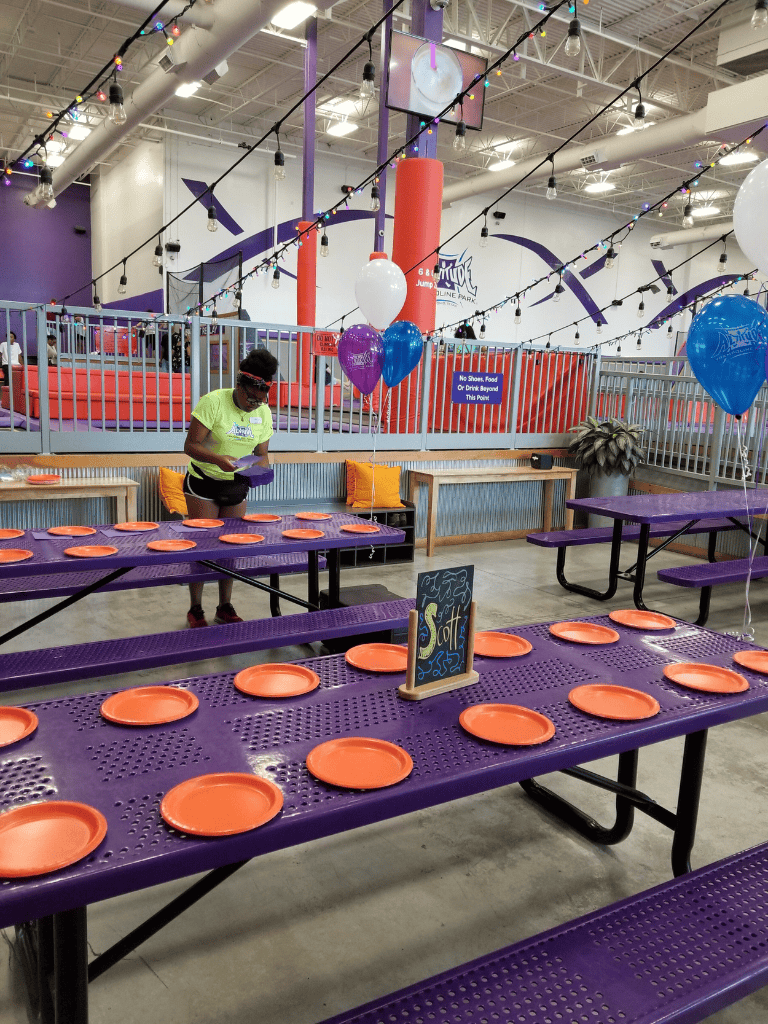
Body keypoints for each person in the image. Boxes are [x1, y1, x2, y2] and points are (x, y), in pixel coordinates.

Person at [182, 347, 279, 628]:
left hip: (236, 483)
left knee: (231, 548)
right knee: (201, 548)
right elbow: (191, 446)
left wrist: (261, 469)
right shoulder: (213, 402)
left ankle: (224, 605)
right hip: (204, 481)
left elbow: (261, 453)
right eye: (251, 397)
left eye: (261, 400)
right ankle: (196, 608)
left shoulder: (263, 413)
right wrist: (218, 460)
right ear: (240, 386)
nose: (255, 403)